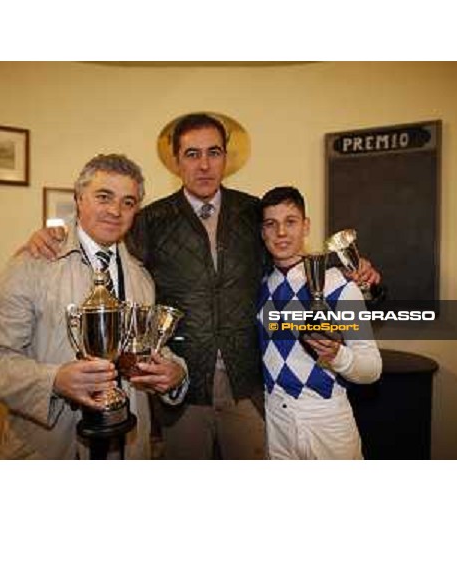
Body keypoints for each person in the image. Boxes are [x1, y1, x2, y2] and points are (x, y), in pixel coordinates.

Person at [25, 113, 381, 459]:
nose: (204, 165)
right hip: (182, 390)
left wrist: (350, 268)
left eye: (214, 152)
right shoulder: (148, 220)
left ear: (226, 157)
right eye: (192, 154)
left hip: (249, 389)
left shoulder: (252, 213)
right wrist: (57, 235)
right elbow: (101, 257)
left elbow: (289, 254)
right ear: (176, 162)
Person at [0, 154, 187, 460]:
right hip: (51, 449)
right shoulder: (32, 265)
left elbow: (148, 350)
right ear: (79, 198)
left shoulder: (141, 277)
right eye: (103, 197)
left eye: (128, 202)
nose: (115, 210)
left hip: (128, 447)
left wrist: (175, 373)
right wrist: (54, 380)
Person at [257, 186, 382, 459]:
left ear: (306, 226)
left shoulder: (339, 283)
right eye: (271, 224)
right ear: (262, 231)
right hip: (275, 424)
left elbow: (372, 368)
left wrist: (337, 355)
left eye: (290, 221)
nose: (280, 232)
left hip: (328, 420)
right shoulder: (258, 287)